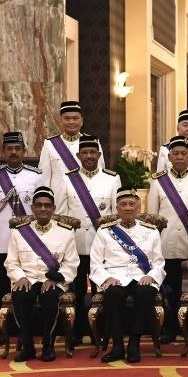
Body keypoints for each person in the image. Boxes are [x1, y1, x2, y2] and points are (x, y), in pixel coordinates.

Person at [54, 135, 121, 344]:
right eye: (85, 153)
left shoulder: (112, 178)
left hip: (100, 247)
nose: (89, 156)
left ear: (99, 155)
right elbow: (62, 216)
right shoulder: (66, 179)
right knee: (76, 291)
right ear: (78, 155)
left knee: (101, 290)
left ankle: (99, 331)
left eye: (93, 153)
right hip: (75, 246)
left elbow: (116, 216)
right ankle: (77, 330)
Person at [90, 187, 166, 363]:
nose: (128, 208)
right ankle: (117, 345)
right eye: (123, 204)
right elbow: (95, 263)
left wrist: (152, 276)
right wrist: (107, 278)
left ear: (139, 207)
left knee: (145, 292)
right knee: (113, 294)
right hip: (115, 276)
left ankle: (134, 342)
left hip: (142, 276)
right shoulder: (104, 231)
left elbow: (159, 262)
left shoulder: (151, 231)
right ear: (117, 209)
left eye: (132, 204)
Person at [3, 187, 79, 362]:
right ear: (32, 208)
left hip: (52, 280)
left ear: (53, 208)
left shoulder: (66, 233)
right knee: (20, 296)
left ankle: (48, 345)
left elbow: (72, 264)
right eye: (38, 205)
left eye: (47, 205)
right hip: (27, 278)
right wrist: (20, 277)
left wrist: (55, 279)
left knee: (49, 296)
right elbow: (11, 262)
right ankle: (28, 347)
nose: (43, 209)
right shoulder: (19, 232)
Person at [148, 135, 188, 344]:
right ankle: (171, 327)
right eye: (176, 154)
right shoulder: (158, 181)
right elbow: (152, 220)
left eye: (184, 153)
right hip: (167, 246)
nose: (180, 157)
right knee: (170, 290)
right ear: (169, 156)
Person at [0, 131, 42, 346]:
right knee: (3, 287)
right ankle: (1, 330)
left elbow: (42, 209)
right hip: (3, 241)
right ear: (3, 152)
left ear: (24, 152)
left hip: (30, 241)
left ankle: (29, 328)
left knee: (30, 284)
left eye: (17, 149)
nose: (13, 152)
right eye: (9, 149)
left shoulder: (36, 176)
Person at [38, 101, 104, 190]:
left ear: (82, 121)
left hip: (84, 198)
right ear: (60, 120)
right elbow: (44, 178)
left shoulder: (93, 142)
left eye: (75, 118)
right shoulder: (50, 144)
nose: (71, 122)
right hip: (59, 200)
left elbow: (99, 174)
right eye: (67, 118)